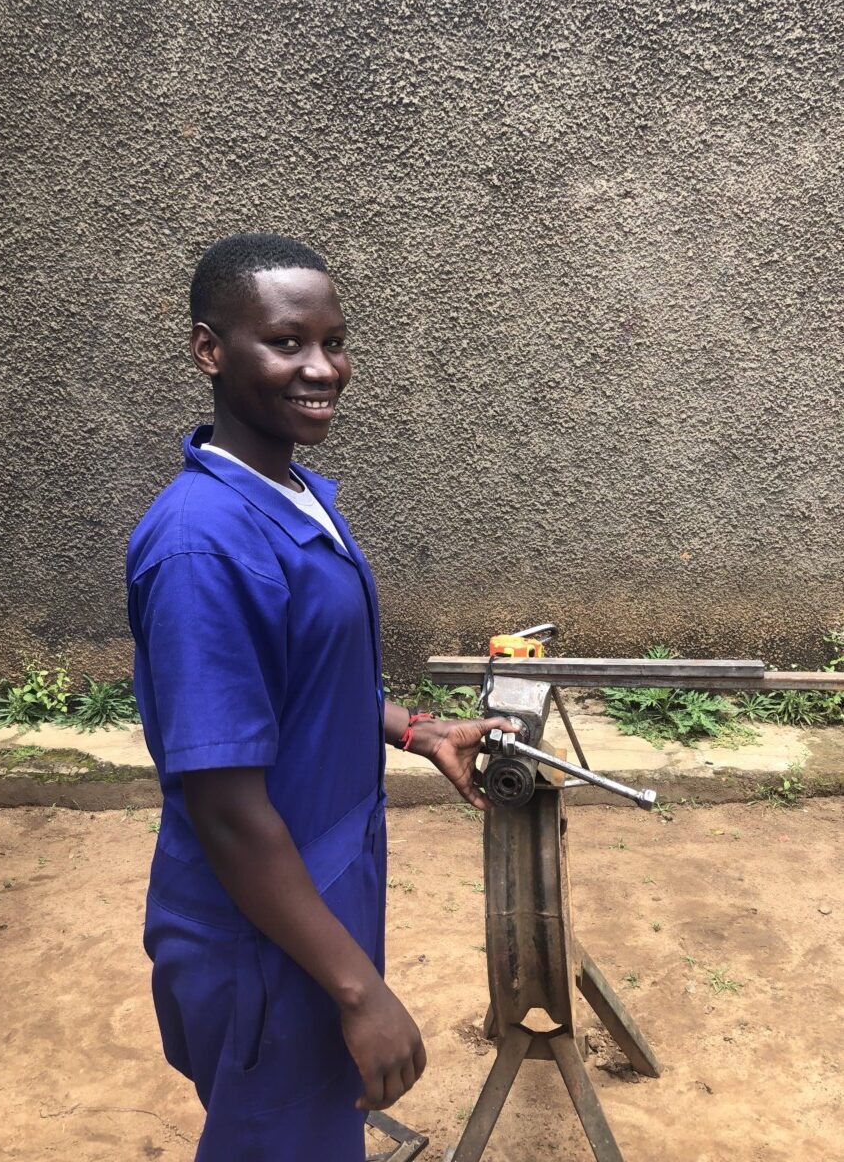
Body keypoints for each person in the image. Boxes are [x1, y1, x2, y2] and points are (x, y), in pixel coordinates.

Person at [126, 233, 512, 1161]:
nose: (322, 368)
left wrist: (413, 729)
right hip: (265, 931)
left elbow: (300, 682)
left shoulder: (289, 493)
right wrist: (356, 989)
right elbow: (223, 807)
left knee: (306, 1130)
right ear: (209, 349)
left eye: (334, 342)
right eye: (287, 342)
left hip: (318, 889)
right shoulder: (203, 547)